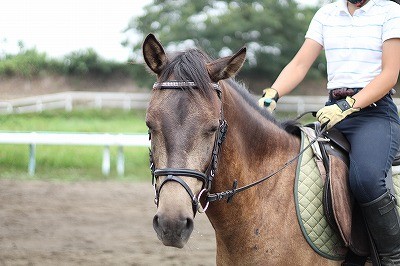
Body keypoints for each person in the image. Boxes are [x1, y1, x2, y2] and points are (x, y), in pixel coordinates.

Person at [258, 0, 400, 265]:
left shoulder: (390, 11)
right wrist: (273, 92)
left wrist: (349, 105)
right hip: (332, 114)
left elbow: (389, 74)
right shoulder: (326, 14)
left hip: (374, 114)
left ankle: (393, 256)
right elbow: (300, 64)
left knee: (366, 179)